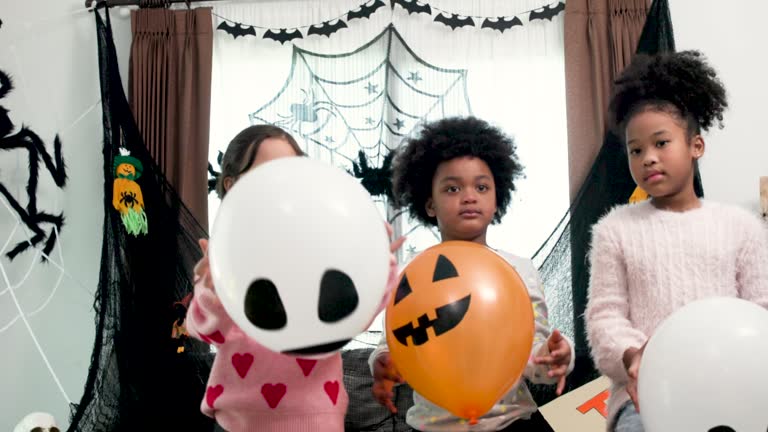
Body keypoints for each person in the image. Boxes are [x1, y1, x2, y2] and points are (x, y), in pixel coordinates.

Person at [585, 50, 768, 432]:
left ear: (696, 146)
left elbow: (760, 309)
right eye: (636, 150)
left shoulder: (742, 226)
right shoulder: (614, 230)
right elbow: (604, 317)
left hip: (735, 389)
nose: (648, 158)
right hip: (645, 396)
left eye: (661, 143)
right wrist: (633, 356)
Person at [186, 125, 404, 431]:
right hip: (238, 422)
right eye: (268, 173)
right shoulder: (228, 253)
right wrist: (210, 289)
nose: (282, 182)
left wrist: (382, 263)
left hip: (319, 417)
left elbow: (358, 309)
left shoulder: (319, 245)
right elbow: (204, 328)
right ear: (232, 185)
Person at [370, 116, 574, 432]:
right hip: (433, 428)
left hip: (513, 423)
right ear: (429, 204)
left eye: (481, 187)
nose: (468, 196)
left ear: (496, 199)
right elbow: (396, 341)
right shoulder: (413, 276)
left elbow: (535, 357)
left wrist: (556, 356)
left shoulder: (520, 270)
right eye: (452, 188)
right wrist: (382, 363)